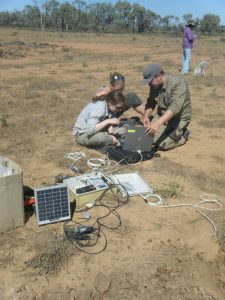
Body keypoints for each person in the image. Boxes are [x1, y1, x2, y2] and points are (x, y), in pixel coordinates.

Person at [142, 64, 192, 151]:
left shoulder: (178, 83)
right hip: (162, 116)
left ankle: (183, 134)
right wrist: (146, 116)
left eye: (150, 81)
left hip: (178, 118)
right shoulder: (154, 85)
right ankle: (166, 129)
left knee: (163, 145)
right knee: (148, 139)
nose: (149, 85)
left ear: (159, 76)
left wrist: (157, 123)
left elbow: (175, 107)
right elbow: (151, 102)